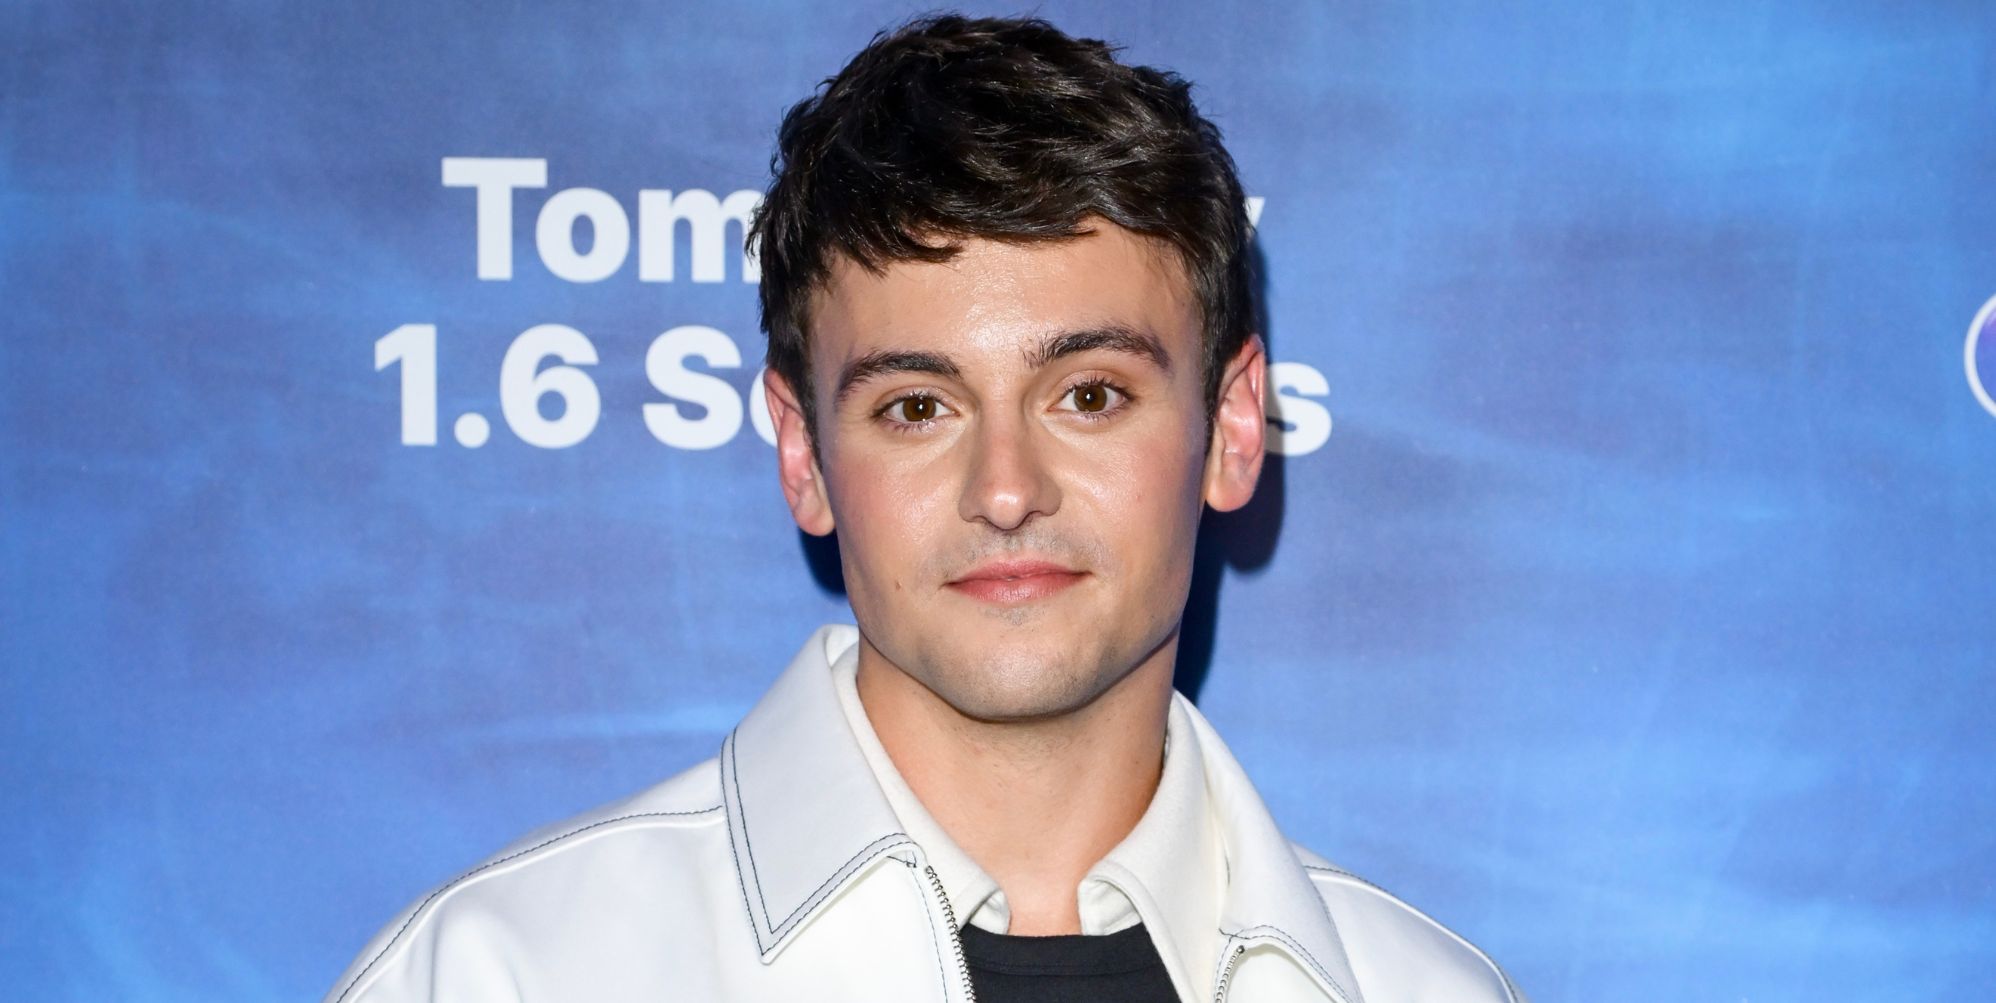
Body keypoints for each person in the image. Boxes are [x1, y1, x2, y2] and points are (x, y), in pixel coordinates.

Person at [326, 14, 1525, 1003]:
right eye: (916, 407)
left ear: (1234, 426)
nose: (1005, 489)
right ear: (802, 453)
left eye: (1089, 394)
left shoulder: (1422, 991)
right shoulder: (503, 975)